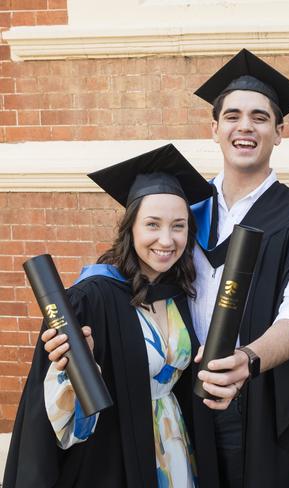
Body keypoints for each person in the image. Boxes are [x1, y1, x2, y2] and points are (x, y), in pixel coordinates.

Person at [3, 144, 217, 487]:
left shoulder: (178, 294)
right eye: (152, 224)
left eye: (178, 226)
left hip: (174, 445)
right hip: (115, 459)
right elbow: (51, 410)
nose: (167, 239)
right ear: (130, 228)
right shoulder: (90, 298)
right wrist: (71, 371)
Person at [188, 49, 289, 488]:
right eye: (233, 116)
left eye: (260, 118)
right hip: (179, 400)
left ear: (278, 133)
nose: (245, 126)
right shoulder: (185, 211)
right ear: (214, 129)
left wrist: (247, 361)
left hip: (255, 405)